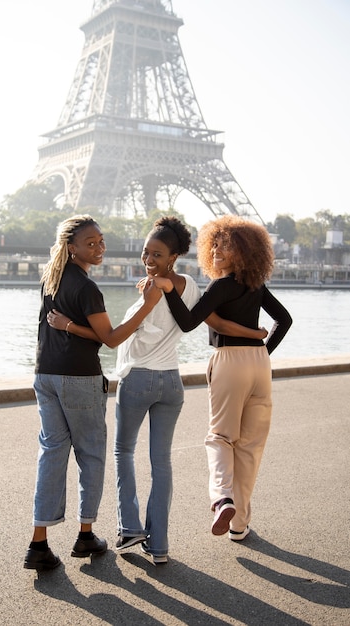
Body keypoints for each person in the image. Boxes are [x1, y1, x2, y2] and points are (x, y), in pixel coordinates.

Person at [47, 216, 268, 564]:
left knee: (123, 453)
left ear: (174, 256)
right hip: (171, 382)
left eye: (157, 254)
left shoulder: (153, 290)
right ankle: (160, 546)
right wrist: (255, 334)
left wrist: (69, 324)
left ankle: (130, 528)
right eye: (146, 252)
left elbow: (116, 335)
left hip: (137, 380)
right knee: (161, 462)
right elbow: (206, 321)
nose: (149, 259)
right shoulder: (191, 286)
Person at [24, 214, 162, 572]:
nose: (99, 248)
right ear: (72, 248)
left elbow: (67, 330)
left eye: (101, 241)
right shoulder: (86, 288)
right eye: (91, 243)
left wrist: (70, 326)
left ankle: (39, 541)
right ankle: (86, 534)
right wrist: (147, 306)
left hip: (45, 375)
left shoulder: (50, 279)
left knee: (52, 455)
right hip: (79, 378)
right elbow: (111, 338)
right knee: (91, 455)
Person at [152, 215, 292, 542]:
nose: (215, 250)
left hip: (229, 360)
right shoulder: (256, 285)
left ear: (243, 252)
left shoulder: (222, 285)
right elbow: (283, 320)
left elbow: (188, 322)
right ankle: (239, 524)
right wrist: (261, 352)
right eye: (213, 243)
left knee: (219, 437)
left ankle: (222, 497)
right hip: (259, 364)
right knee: (250, 446)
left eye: (224, 245)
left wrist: (170, 289)